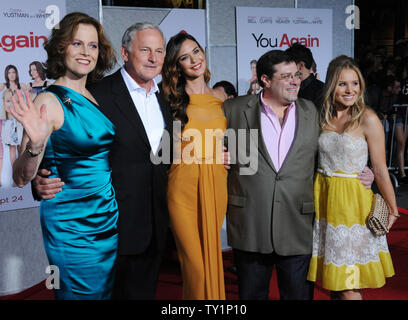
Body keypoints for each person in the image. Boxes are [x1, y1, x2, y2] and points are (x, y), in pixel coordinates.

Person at [33, 22, 173, 300]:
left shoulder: (166, 99)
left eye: (159, 51)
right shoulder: (95, 94)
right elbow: (64, 146)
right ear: (124, 52)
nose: (153, 58)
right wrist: (39, 182)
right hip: (105, 229)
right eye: (145, 49)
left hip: (155, 228)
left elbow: (166, 157)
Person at [222, 50, 374, 300]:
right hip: (250, 222)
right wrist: (215, 153)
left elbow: (337, 149)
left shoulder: (313, 112)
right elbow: (201, 139)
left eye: (296, 75)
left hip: (299, 224)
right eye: (286, 76)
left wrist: (367, 173)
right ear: (265, 80)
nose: (295, 81)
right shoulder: (234, 109)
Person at [8, 12, 118, 299]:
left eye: (92, 46)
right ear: (61, 48)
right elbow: (21, 177)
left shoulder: (97, 95)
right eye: (77, 43)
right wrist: (36, 145)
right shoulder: (47, 100)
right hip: (71, 224)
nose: (85, 52)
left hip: (105, 219)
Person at [307, 55, 397, 300]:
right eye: (343, 84)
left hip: (353, 204)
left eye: (355, 83)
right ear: (331, 86)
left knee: (348, 284)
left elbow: (379, 169)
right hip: (324, 199)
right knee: (335, 281)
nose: (350, 90)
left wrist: (392, 207)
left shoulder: (367, 118)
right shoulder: (321, 116)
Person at [161, 32, 228, 299]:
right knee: (195, 266)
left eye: (196, 51)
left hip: (216, 180)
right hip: (182, 185)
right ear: (177, 66)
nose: (194, 60)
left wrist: (230, 155)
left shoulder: (222, 98)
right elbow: (162, 148)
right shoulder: (168, 100)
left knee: (212, 255)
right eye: (184, 57)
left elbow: (236, 142)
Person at [285, 42, 324, 108]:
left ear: (301, 65)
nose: (286, 69)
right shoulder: (287, 89)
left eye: (289, 65)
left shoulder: (322, 92)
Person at [2, 65, 26, 168]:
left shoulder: (22, 86)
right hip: (9, 120)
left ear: (16, 74)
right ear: (7, 75)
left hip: (20, 120)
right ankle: (15, 172)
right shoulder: (3, 86)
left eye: (13, 72)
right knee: (12, 147)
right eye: (9, 73)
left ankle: (21, 171)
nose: (11, 75)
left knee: (21, 147)